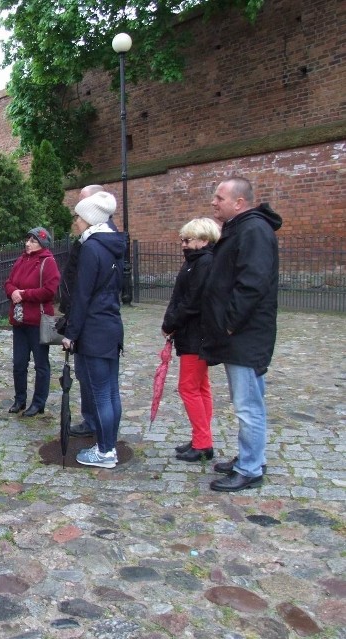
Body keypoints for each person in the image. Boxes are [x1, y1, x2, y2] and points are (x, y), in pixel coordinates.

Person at [201, 177, 281, 492]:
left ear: (239, 202)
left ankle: (250, 468)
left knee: (248, 405)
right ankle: (250, 457)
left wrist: (231, 322)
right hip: (242, 334)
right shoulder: (242, 228)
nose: (213, 202)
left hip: (246, 335)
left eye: (219, 197)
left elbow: (253, 282)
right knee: (248, 401)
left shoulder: (253, 230)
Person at [60, 192, 125, 468]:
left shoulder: (91, 249)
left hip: (94, 330)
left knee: (100, 393)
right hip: (110, 326)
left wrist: (70, 334)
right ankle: (108, 444)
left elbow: (82, 296)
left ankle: (105, 450)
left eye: (78, 216)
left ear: (88, 219)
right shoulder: (112, 245)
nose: (75, 221)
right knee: (110, 391)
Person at [161, 217, 221, 462]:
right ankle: (201, 437)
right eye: (182, 240)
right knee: (200, 387)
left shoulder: (204, 263)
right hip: (193, 332)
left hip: (197, 334)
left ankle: (203, 441)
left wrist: (171, 323)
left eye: (188, 240)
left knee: (189, 388)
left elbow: (192, 301)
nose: (184, 244)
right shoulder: (195, 262)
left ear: (204, 240)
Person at [4, 227, 60, 417]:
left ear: (42, 244)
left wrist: (24, 294)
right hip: (20, 321)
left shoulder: (48, 262)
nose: (28, 243)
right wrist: (12, 292)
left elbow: (49, 291)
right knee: (19, 363)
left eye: (33, 240)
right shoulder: (21, 260)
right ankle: (20, 399)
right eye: (27, 239)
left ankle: (38, 403)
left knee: (40, 364)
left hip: (38, 322)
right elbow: (9, 282)